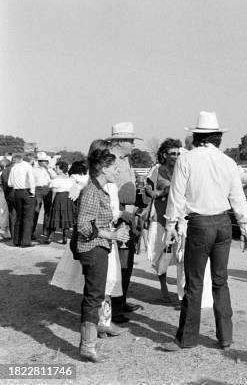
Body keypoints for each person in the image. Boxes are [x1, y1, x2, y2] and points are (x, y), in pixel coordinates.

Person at [161, 110, 247, 352]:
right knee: (220, 281)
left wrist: (171, 225)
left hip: (199, 224)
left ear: (197, 137)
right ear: (218, 137)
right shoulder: (228, 162)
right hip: (223, 223)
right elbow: (238, 196)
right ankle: (225, 336)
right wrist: (245, 226)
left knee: (195, 282)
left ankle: (187, 338)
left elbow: (176, 197)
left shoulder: (187, 159)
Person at [76, 148, 130, 362]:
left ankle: (90, 342)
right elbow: (83, 225)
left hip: (99, 247)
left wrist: (115, 234)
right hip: (93, 248)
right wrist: (112, 234)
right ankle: (87, 346)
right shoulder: (92, 191)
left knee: (95, 295)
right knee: (93, 296)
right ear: (103, 168)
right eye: (114, 168)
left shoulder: (99, 189)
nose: (117, 172)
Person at [107, 122, 143, 323]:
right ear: (120, 141)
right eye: (130, 140)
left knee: (126, 264)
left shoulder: (125, 160)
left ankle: (121, 301)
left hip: (126, 219)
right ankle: (115, 308)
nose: (132, 145)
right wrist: (122, 214)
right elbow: (107, 195)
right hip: (116, 220)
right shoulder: (111, 161)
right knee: (119, 265)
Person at [144, 138, 183, 302]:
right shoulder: (157, 170)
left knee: (181, 254)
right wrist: (160, 193)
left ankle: (183, 291)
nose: (176, 156)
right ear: (164, 154)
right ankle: (163, 286)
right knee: (162, 252)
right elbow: (147, 188)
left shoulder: (183, 169)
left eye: (178, 153)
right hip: (160, 216)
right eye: (172, 153)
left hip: (179, 217)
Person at [8, 154, 36, 247]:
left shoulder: (14, 168)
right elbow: (31, 179)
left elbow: (10, 183)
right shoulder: (28, 167)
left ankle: (16, 240)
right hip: (26, 192)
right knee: (28, 218)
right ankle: (26, 242)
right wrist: (32, 192)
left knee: (19, 217)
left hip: (17, 193)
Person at [46, 161, 74, 244]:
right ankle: (64, 238)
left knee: (54, 217)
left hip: (59, 197)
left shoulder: (56, 179)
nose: (55, 169)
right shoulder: (70, 179)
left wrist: (52, 202)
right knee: (65, 217)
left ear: (61, 169)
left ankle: (50, 238)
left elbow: (54, 191)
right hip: (67, 198)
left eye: (57, 168)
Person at [32, 152, 56, 241]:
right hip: (37, 189)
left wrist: (48, 169)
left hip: (47, 189)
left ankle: (46, 231)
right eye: (43, 161)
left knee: (48, 210)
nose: (45, 162)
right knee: (36, 211)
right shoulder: (34, 169)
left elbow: (54, 176)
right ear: (39, 161)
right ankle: (32, 231)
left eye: (46, 161)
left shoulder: (49, 169)